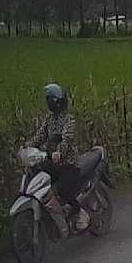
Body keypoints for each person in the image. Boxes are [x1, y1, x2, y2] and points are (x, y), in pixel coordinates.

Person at [25, 83, 89, 233]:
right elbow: (39, 136)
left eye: (50, 100)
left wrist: (59, 152)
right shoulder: (49, 119)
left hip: (69, 164)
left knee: (63, 190)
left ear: (57, 101)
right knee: (37, 180)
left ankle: (80, 212)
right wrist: (27, 147)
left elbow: (67, 139)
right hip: (52, 163)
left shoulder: (69, 120)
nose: (48, 103)